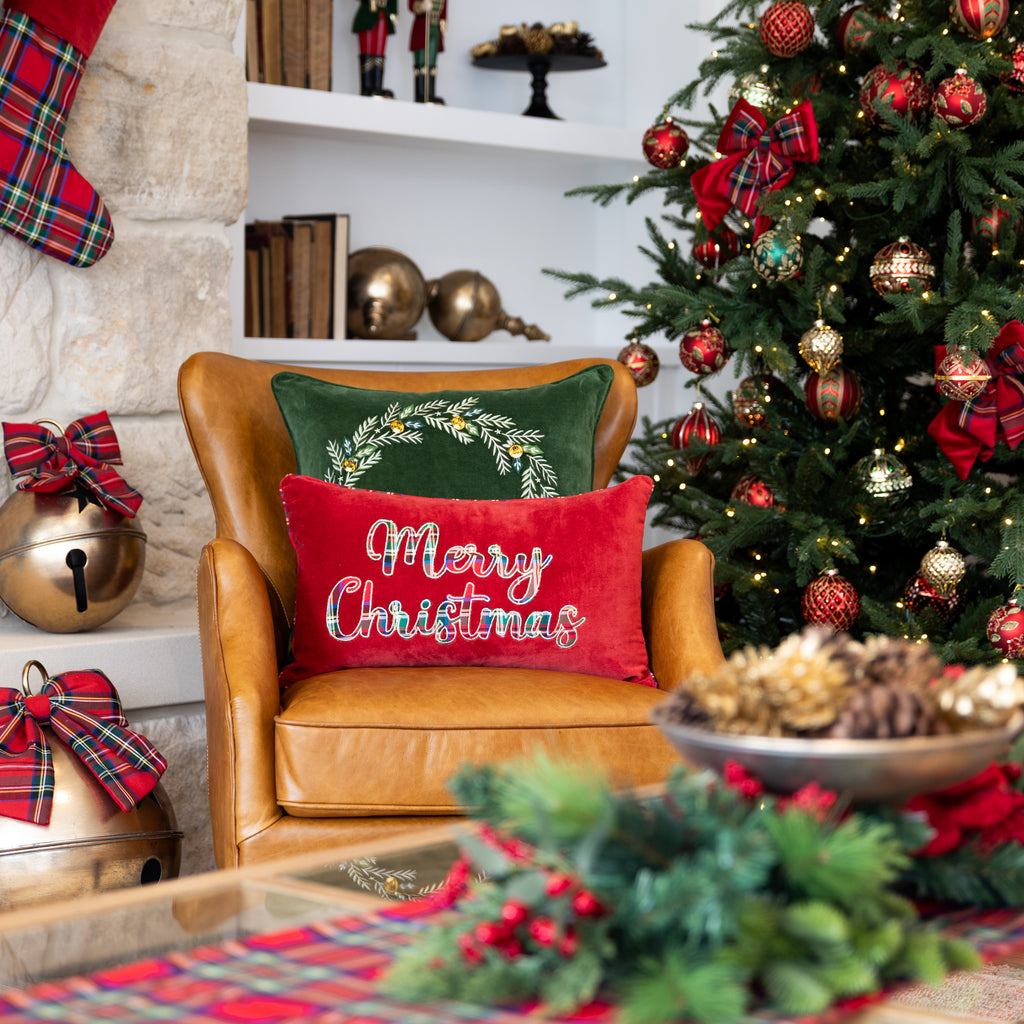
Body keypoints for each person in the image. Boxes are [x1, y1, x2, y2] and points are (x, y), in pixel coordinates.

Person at [353, 0, 397, 98]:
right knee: (367, 50)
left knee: (379, 52)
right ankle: (366, 87)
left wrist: (394, 13)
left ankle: (377, 87)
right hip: (368, 14)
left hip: (384, 15)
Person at [409, 0, 446, 104]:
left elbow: (443, 9)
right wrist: (421, 6)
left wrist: (443, 24)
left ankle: (430, 94)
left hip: (435, 27)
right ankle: (421, 94)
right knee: (421, 61)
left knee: (432, 62)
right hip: (422, 26)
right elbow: (412, 5)